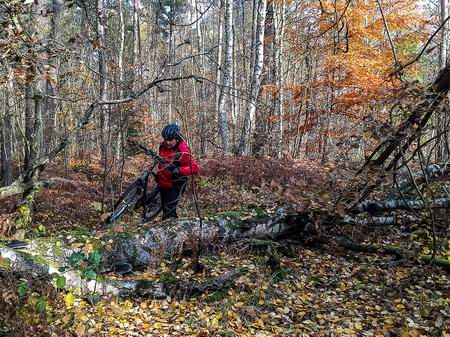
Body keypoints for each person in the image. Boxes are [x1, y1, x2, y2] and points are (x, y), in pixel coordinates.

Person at [155, 123, 199, 219]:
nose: (168, 143)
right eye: (166, 139)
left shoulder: (182, 149)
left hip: (176, 183)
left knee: (169, 210)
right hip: (164, 182)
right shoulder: (162, 146)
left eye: (171, 140)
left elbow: (195, 168)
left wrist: (179, 170)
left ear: (177, 139)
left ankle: (171, 230)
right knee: (165, 207)